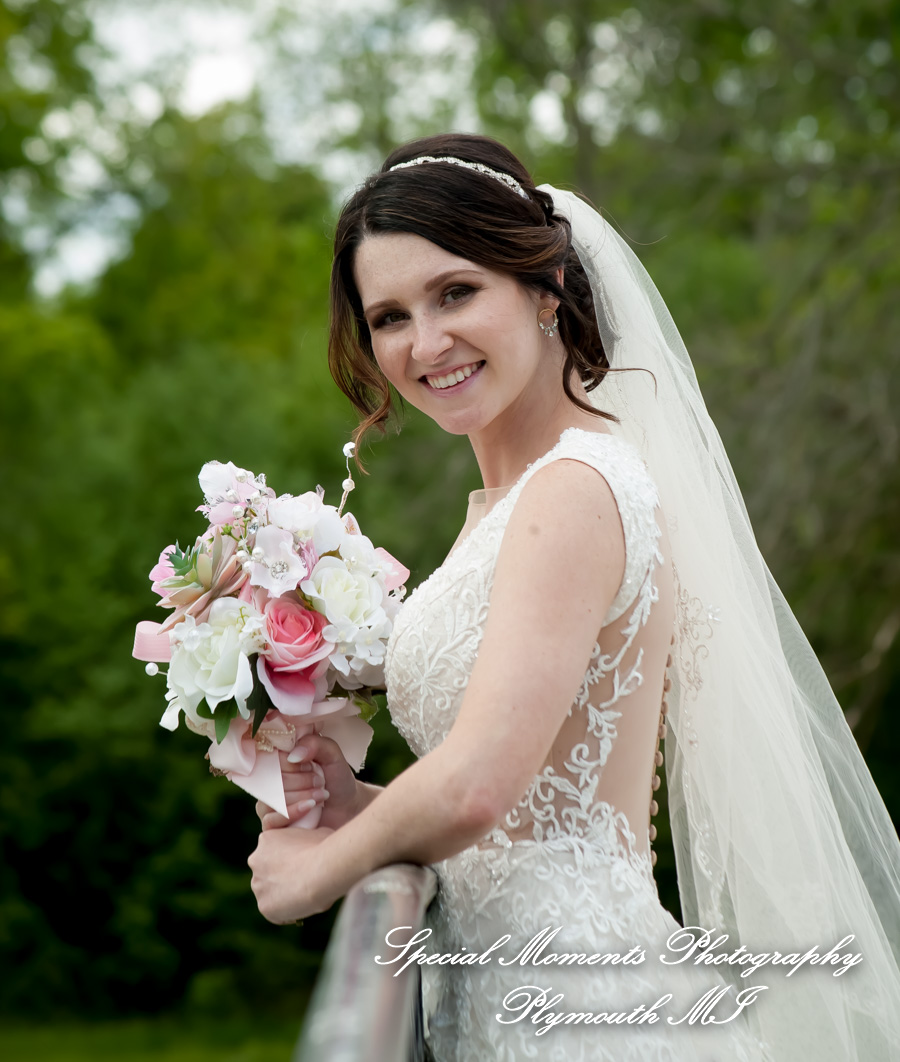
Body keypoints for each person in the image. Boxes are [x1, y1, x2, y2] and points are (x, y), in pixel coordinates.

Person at [248, 134, 900, 1060]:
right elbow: (526, 804)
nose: (425, 343)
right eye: (388, 316)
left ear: (544, 288)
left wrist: (311, 876)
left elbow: (478, 783)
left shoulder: (575, 490)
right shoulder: (506, 508)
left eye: (456, 292)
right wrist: (361, 804)